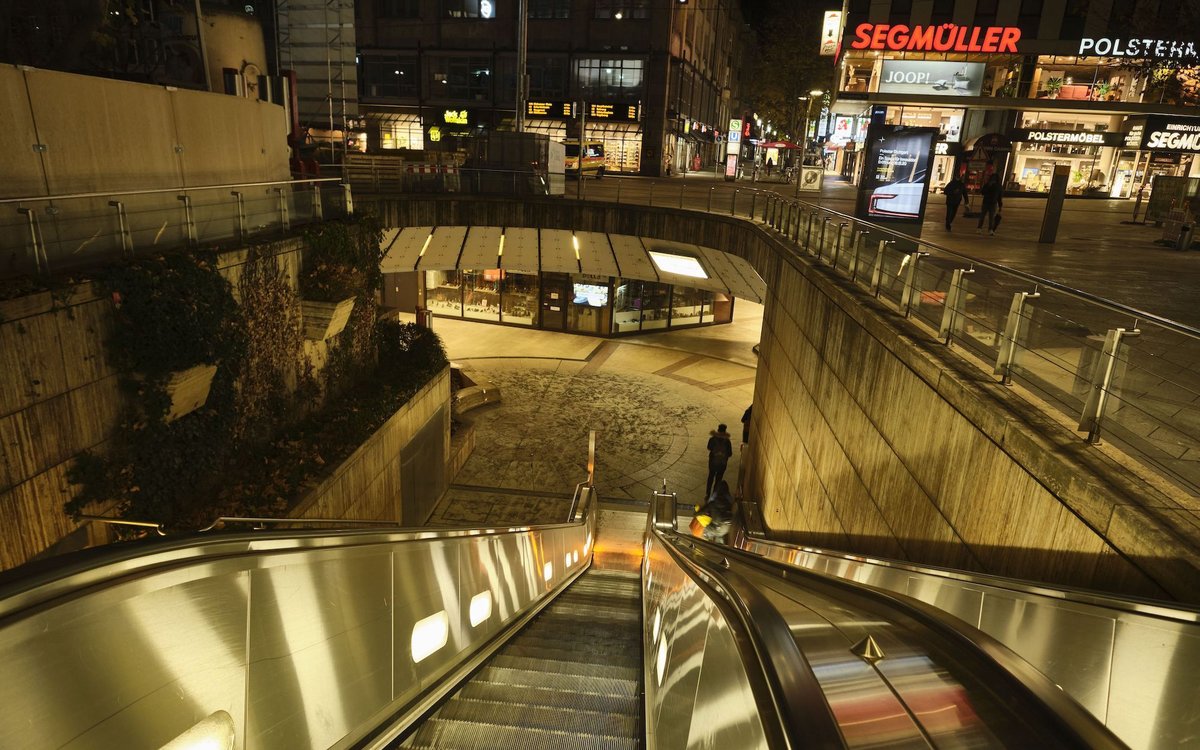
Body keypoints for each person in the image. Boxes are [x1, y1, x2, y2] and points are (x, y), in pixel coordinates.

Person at [705, 423, 733, 498]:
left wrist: (715, 452)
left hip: (713, 462)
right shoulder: (727, 441)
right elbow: (730, 453)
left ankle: (707, 493)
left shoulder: (712, 439)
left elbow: (708, 447)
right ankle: (715, 494)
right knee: (718, 479)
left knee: (711, 477)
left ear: (718, 430)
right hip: (722, 464)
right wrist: (723, 454)